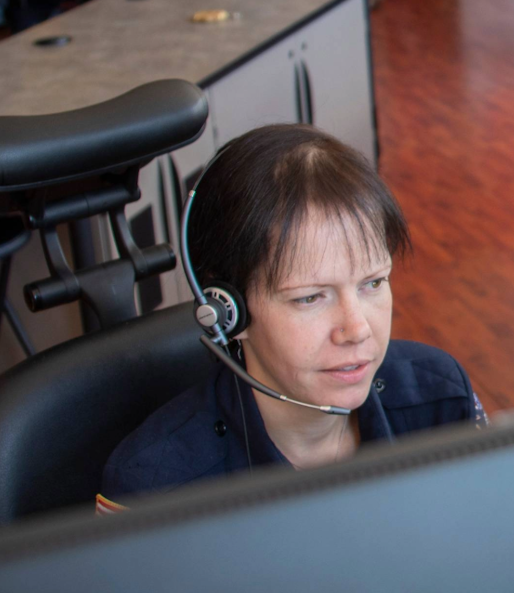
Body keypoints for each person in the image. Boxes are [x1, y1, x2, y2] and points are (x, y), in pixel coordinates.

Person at [99, 125, 484, 509]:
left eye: (373, 283)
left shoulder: (441, 398)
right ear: (226, 311)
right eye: (310, 298)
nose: (357, 329)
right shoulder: (154, 488)